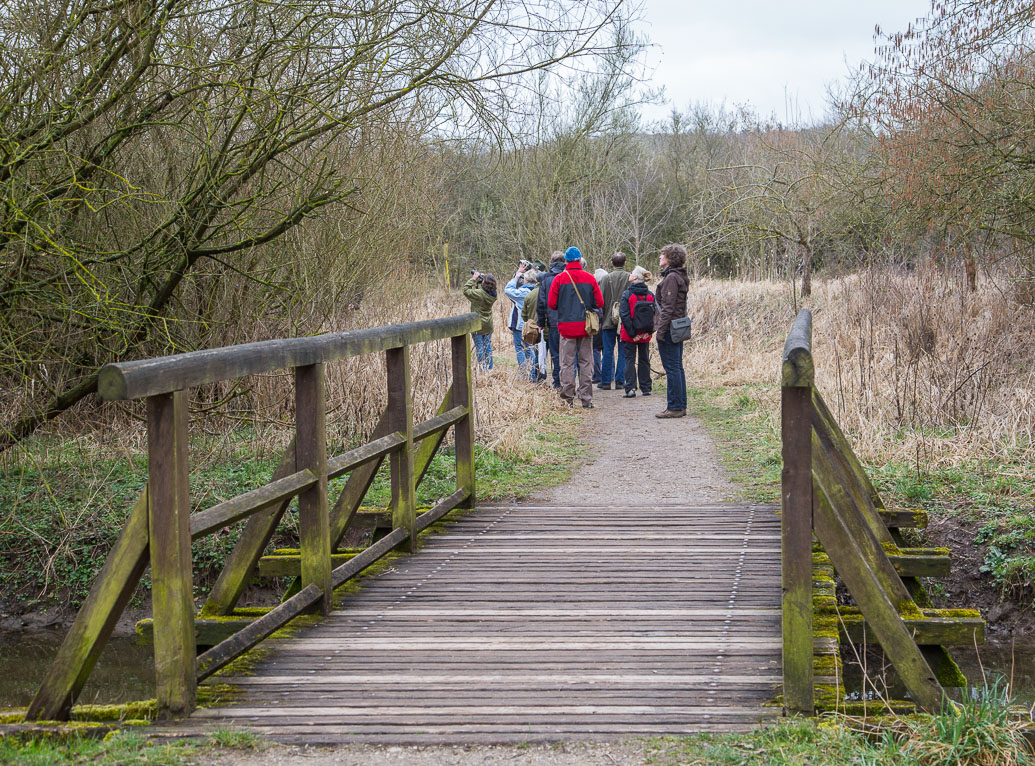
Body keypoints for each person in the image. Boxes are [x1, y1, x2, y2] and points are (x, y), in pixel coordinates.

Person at [547, 246, 603, 408]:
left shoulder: (559, 279)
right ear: (580, 260)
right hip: (586, 327)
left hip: (566, 327)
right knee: (586, 362)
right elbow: (599, 303)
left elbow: (551, 304)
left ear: (566, 261)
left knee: (567, 363)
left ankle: (568, 398)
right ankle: (586, 398)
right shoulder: (590, 278)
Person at [654, 244, 690, 418]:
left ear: (670, 258)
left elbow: (667, 308)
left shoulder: (671, 278)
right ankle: (680, 405)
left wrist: (660, 331)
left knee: (672, 368)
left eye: (663, 255)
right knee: (677, 367)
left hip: (670, 328)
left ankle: (675, 407)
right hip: (677, 327)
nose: (660, 257)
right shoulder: (678, 276)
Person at [618, 265, 655, 398]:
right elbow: (655, 315)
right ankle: (646, 387)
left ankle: (630, 388)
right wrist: (649, 332)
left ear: (634, 277)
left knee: (629, 360)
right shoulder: (650, 295)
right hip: (645, 334)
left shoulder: (627, 295)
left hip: (629, 334)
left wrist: (633, 334)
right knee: (644, 359)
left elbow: (624, 315)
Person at [598, 252, 631, 390]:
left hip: (607, 320)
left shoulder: (605, 278)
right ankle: (620, 381)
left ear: (612, 263)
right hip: (625, 321)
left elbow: (599, 301)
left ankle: (606, 381)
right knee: (623, 351)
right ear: (625, 263)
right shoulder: (630, 277)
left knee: (607, 351)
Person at [536, 251, 566, 388]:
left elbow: (541, 303)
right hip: (569, 320)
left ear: (551, 262)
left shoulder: (546, 279)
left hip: (553, 322)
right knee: (569, 353)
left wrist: (541, 322)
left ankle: (558, 382)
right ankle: (568, 381)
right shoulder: (568, 276)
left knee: (555, 354)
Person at [504, 264, 537, 379]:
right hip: (531, 324)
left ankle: (523, 373)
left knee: (519, 348)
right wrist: (519, 272)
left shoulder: (522, 292)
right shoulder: (536, 290)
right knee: (529, 348)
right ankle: (533, 373)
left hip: (519, 325)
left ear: (526, 280)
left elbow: (508, 290)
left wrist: (516, 277)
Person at [463, 271, 498, 370]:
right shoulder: (493, 294)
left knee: (479, 347)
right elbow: (484, 290)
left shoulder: (479, 294)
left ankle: (483, 369)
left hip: (477, 324)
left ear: (484, 283)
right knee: (487, 346)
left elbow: (466, 290)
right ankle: (490, 368)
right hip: (488, 324)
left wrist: (474, 278)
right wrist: (484, 279)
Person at [592, 268, 609, 383]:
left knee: (595, 349)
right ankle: (609, 375)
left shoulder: (595, 290)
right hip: (607, 323)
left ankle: (597, 375)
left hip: (597, 322)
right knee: (607, 349)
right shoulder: (609, 289)